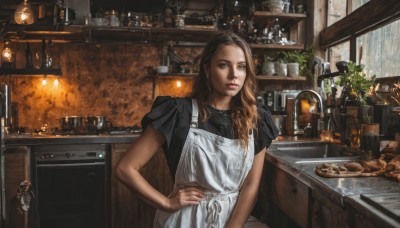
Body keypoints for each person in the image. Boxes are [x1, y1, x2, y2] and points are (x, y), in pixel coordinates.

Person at [116, 31, 279, 228]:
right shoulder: (177, 112)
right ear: (207, 70)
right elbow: (125, 169)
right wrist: (167, 202)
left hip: (235, 219)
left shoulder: (256, 119)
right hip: (186, 219)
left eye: (241, 67)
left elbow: (251, 187)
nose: (234, 74)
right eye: (223, 65)